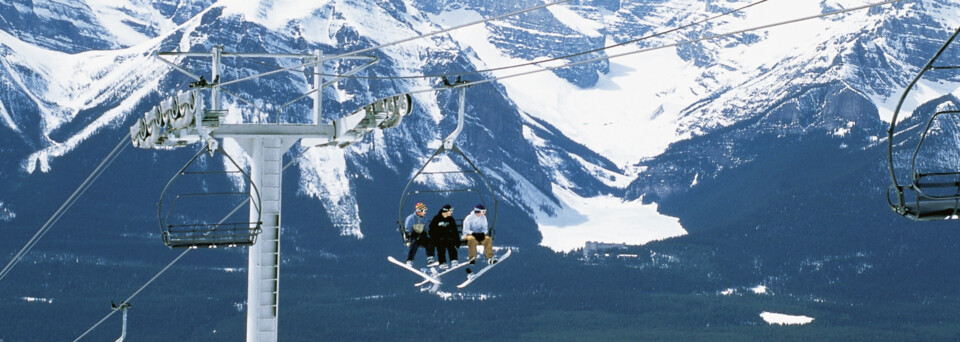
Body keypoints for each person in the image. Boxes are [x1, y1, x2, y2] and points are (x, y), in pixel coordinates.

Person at [404, 202, 437, 267]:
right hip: (414, 235)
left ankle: (430, 259)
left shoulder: (425, 219)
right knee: (414, 244)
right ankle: (409, 260)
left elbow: (426, 228)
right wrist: (408, 238)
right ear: (419, 211)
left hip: (422, 235)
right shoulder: (410, 218)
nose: (425, 212)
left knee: (430, 242)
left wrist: (428, 234)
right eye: (424, 211)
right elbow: (408, 229)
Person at [429, 204, 460, 269]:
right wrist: (435, 238)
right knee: (441, 248)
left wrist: (457, 241)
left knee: (451, 246)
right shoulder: (436, 218)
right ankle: (442, 262)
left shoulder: (451, 219)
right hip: (439, 238)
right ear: (446, 211)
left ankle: (454, 260)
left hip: (448, 238)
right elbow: (431, 230)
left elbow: (455, 230)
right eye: (450, 211)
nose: (451, 212)